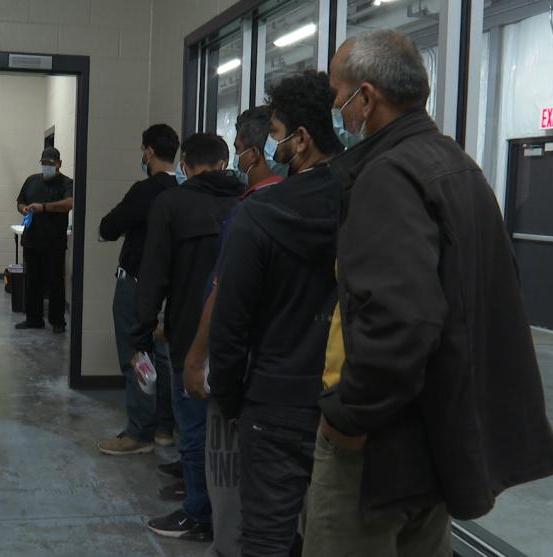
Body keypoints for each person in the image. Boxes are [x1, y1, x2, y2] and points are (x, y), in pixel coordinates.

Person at [303, 29, 553, 556]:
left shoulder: (386, 176)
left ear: (367, 98)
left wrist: (351, 416)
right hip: (435, 435)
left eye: (339, 97)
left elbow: (403, 318)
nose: (337, 111)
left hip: (377, 449)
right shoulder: (456, 167)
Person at [205, 71, 343, 557]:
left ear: (302, 139)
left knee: (266, 535)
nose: (273, 145)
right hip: (349, 404)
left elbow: (230, 322)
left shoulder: (260, 214)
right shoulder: (368, 203)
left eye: (278, 133)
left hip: (274, 401)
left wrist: (227, 395)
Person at [179, 105, 282, 557]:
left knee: (228, 480)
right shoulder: (298, 201)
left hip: (240, 367)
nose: (236, 159)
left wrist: (198, 356)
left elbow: (224, 291)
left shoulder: (254, 211)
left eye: (239, 150)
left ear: (254, 153)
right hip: (280, 370)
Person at [131, 132, 243, 543]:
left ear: (184, 165)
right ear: (224, 161)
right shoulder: (246, 200)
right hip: (240, 339)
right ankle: (228, 514)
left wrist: (142, 332)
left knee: (194, 430)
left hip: (190, 337)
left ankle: (199, 514)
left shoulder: (171, 203)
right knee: (230, 434)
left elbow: (154, 274)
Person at [97, 124, 180, 456]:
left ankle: (139, 433)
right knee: (158, 356)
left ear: (148, 151)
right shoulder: (180, 190)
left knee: (136, 357)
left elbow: (108, 227)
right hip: (166, 287)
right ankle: (162, 428)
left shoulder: (146, 190)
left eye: (141, 150)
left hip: (135, 284)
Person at [15, 147, 74, 333]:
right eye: (44, 164)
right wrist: (24, 209)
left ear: (59, 164)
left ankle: (57, 321)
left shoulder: (66, 183)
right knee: (32, 281)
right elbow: (20, 202)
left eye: (51, 164)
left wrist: (44, 207)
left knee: (55, 282)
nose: (47, 167)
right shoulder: (31, 181)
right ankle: (33, 318)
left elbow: (69, 203)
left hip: (53, 243)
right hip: (32, 241)